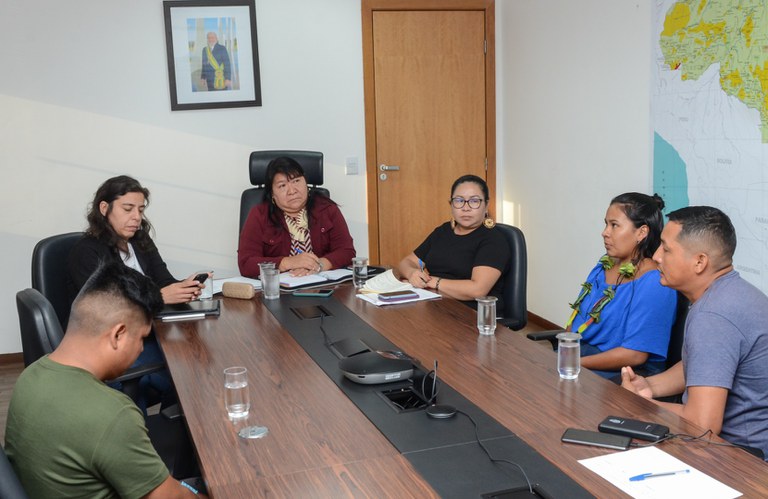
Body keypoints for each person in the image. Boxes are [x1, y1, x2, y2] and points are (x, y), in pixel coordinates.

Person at [5, 262, 207, 498]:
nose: (141, 349)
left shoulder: (29, 377)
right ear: (118, 335)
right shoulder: (112, 414)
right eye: (142, 338)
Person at [621, 206, 768, 460]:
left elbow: (703, 423)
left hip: (743, 461)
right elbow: (708, 365)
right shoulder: (732, 292)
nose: (656, 256)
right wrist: (649, 386)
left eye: (666, 249)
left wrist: (640, 405)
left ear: (700, 262)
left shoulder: (713, 316)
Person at [68, 175, 208, 409]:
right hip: (111, 343)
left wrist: (185, 286)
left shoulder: (140, 240)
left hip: (149, 333)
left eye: (141, 210)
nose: (136, 217)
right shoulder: (87, 252)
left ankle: (178, 431)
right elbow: (108, 309)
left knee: (199, 360)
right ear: (104, 208)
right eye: (128, 209)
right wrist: (162, 297)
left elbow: (164, 281)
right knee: (186, 369)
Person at [563, 193, 677, 379]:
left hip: (623, 375)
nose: (605, 232)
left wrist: (572, 363)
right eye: (606, 224)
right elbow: (577, 318)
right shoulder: (603, 266)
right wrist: (565, 352)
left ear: (641, 232)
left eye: (614, 225)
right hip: (582, 359)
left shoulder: (655, 282)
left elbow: (635, 355)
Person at [397, 174, 509, 309]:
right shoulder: (443, 231)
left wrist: (432, 282)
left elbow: (477, 290)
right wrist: (411, 273)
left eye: (474, 201)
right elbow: (406, 262)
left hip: (473, 313)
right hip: (435, 304)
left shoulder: (493, 239)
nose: (466, 208)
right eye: (459, 200)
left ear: (486, 206)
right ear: (451, 205)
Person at [238, 156, 356, 277]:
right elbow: (246, 264)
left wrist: (318, 265)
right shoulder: (259, 214)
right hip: (278, 290)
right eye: (282, 186)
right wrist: (286, 263)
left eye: (296, 181)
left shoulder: (327, 209)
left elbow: (347, 251)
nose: (292, 191)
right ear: (272, 194)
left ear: (306, 183)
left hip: (321, 287)